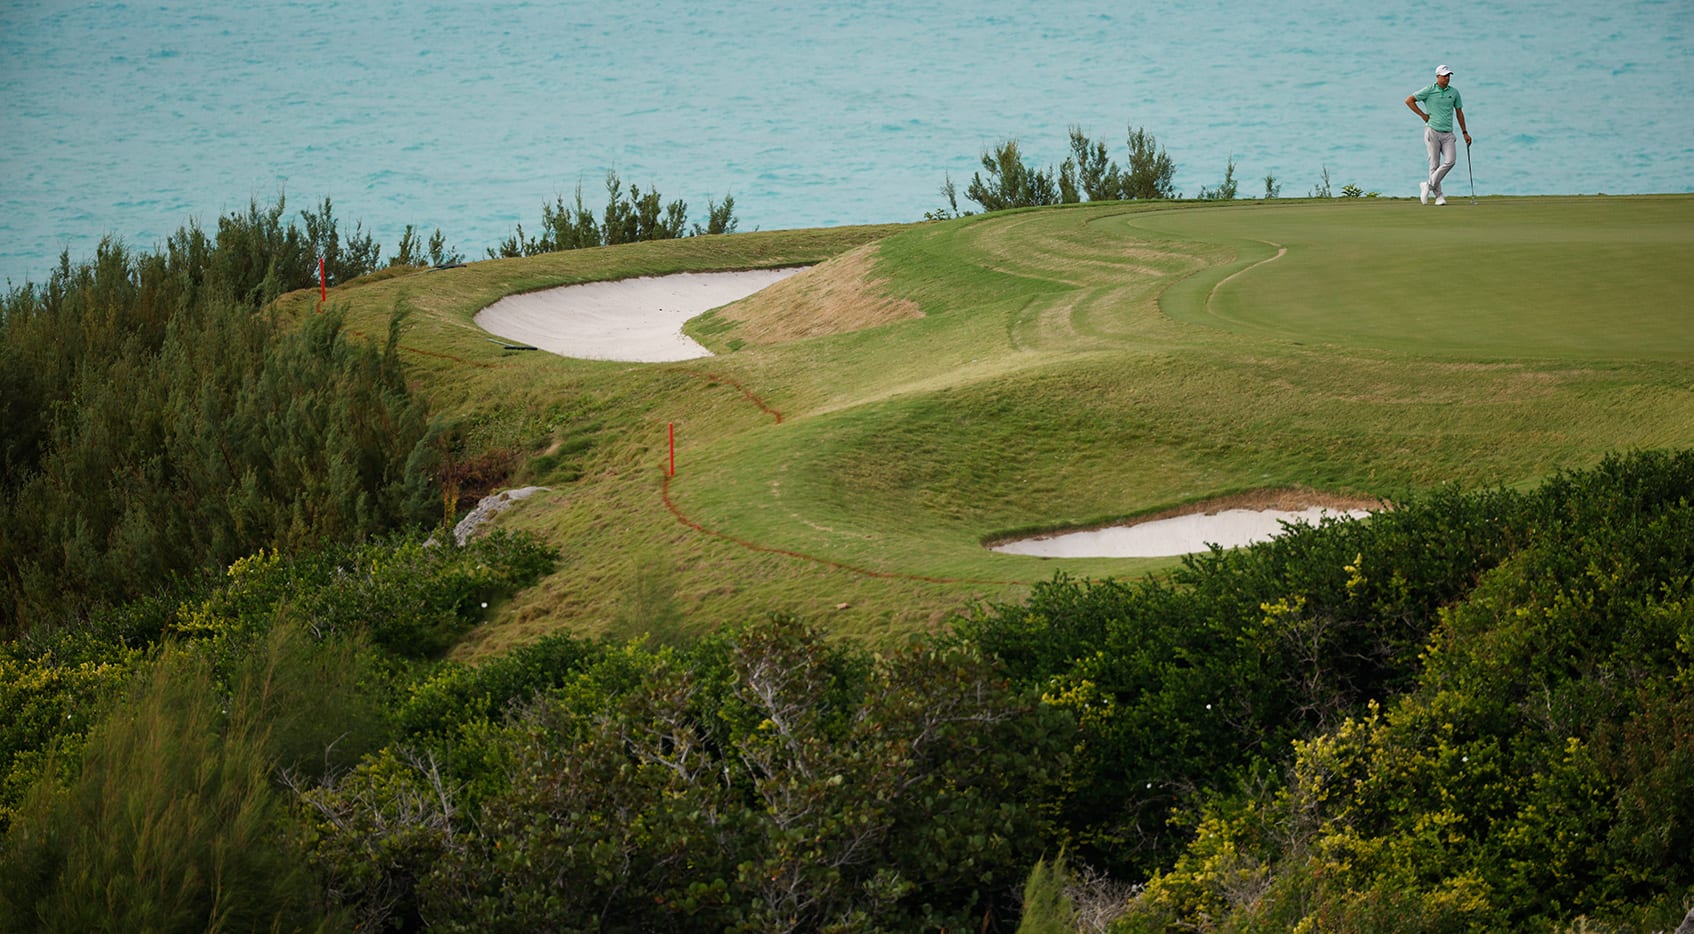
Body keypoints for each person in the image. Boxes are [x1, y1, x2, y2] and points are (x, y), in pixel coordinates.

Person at [1405, 64, 1470, 205]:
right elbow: (1409, 100)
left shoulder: (1454, 92)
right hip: (1432, 131)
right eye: (1444, 75)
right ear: (1437, 76)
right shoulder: (1429, 90)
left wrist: (1465, 132)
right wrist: (1422, 115)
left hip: (1448, 133)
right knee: (1434, 164)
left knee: (1450, 161)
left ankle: (1427, 185)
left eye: (1448, 76)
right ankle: (1439, 196)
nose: (1447, 78)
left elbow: (1459, 112)